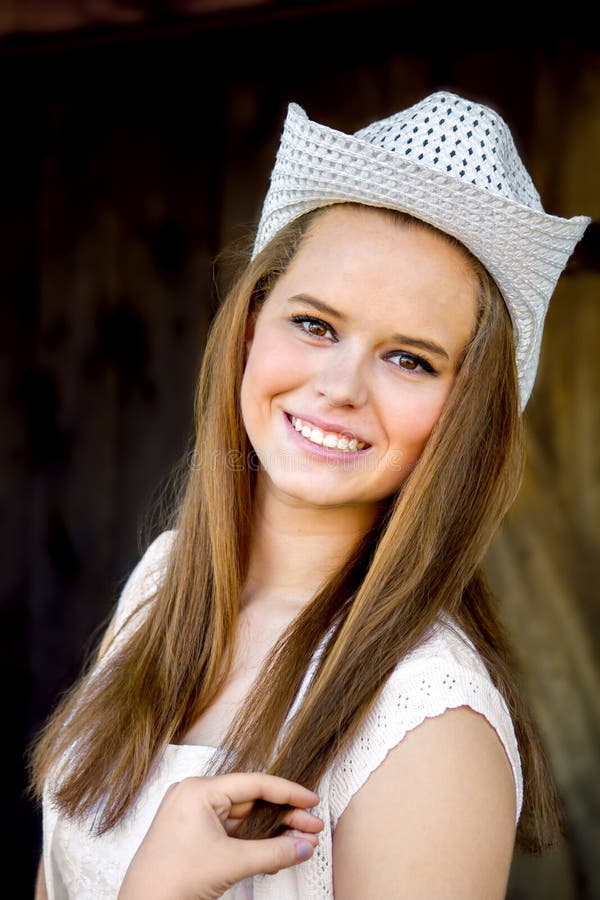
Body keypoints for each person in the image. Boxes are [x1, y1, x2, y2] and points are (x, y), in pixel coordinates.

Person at [30, 90, 590, 900]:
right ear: (252, 326)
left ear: (467, 415)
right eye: (316, 325)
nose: (338, 388)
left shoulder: (430, 727)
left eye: (410, 359)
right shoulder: (163, 583)